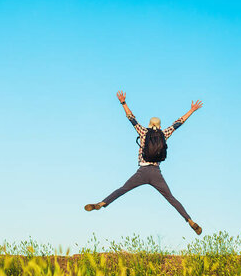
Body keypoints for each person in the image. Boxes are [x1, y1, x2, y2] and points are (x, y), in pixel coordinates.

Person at [84, 90, 204, 235]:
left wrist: (123, 102)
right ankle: (189, 220)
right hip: (156, 173)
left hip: (142, 172)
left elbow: (131, 118)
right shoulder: (164, 133)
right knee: (171, 198)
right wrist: (191, 110)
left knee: (122, 189)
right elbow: (179, 123)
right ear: (159, 127)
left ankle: (101, 204)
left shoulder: (143, 132)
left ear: (149, 124)